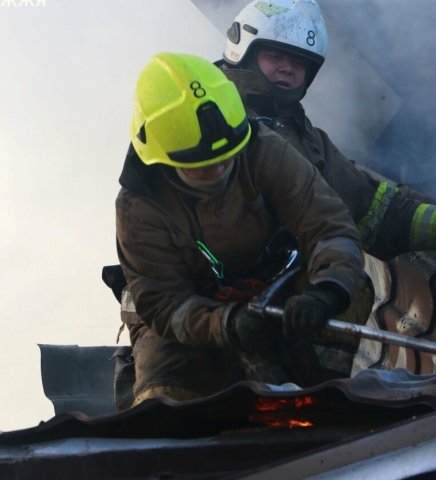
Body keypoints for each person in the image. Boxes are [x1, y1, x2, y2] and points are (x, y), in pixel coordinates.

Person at [116, 52, 366, 405]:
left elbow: (330, 225)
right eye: (202, 165)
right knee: (165, 406)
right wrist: (227, 325)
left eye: (227, 156)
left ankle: (321, 397)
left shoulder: (263, 149)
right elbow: (164, 304)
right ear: (164, 159)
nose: (219, 168)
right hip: (186, 319)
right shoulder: (138, 206)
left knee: (352, 289)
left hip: (270, 289)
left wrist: (325, 291)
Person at [218, 0, 436, 266]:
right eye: (275, 56)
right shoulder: (211, 114)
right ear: (243, 51)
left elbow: (375, 210)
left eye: (299, 63)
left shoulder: (308, 141)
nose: (287, 68)